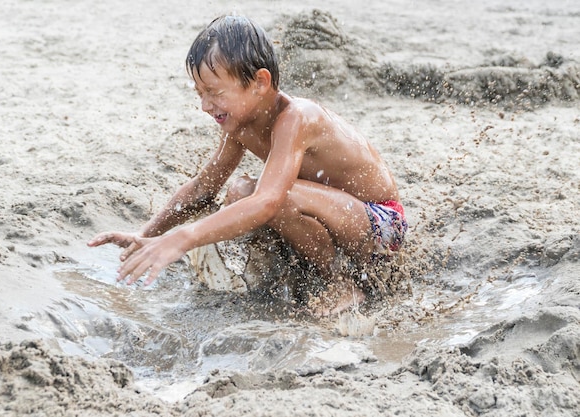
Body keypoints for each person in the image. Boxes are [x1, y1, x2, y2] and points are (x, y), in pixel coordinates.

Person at [88, 15, 408, 316]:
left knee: (274, 198)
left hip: (380, 225)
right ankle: (292, 275)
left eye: (214, 92)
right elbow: (203, 188)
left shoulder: (297, 117)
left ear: (259, 82)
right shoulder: (241, 125)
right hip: (333, 220)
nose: (205, 105)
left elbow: (269, 201)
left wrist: (182, 239)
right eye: (199, 93)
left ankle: (343, 283)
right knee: (241, 191)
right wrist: (146, 234)